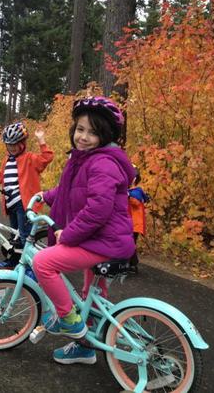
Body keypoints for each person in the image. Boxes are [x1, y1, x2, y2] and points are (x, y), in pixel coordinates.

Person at [32, 96, 136, 365]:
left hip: (104, 241)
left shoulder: (102, 163)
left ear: (106, 135)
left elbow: (97, 211)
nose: (84, 137)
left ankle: (70, 322)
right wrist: (48, 195)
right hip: (103, 240)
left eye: (93, 132)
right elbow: (70, 191)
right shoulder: (84, 159)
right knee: (92, 295)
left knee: (43, 262)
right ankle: (86, 347)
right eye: (80, 129)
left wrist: (67, 235)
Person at [0, 122, 54, 268]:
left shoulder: (30, 158)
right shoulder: (7, 159)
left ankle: (29, 266)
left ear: (22, 143)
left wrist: (41, 140)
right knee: (15, 236)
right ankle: (13, 261)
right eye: (9, 144)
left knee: (25, 237)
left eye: (15, 144)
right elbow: (3, 178)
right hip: (11, 203)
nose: (11, 147)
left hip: (24, 205)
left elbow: (46, 158)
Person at [128, 166, 150, 273]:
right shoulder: (129, 190)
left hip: (134, 223)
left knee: (130, 243)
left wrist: (128, 196)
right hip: (128, 222)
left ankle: (133, 264)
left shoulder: (137, 191)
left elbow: (136, 202)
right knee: (128, 242)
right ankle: (129, 264)